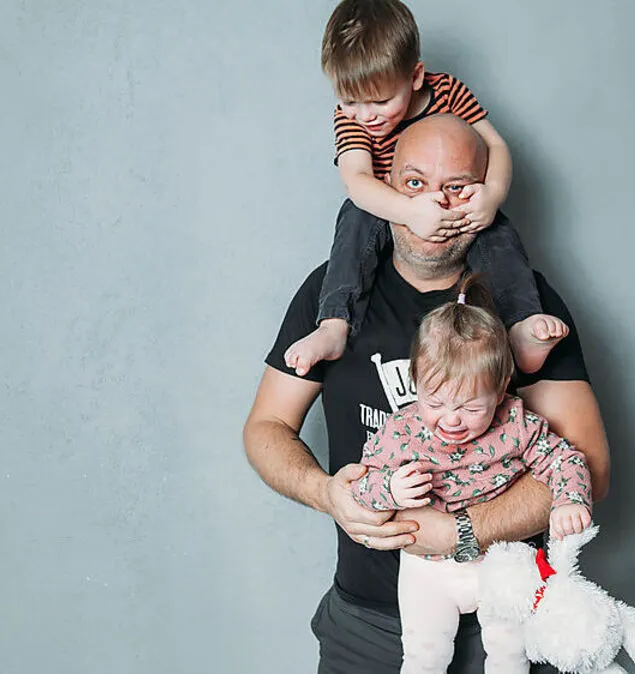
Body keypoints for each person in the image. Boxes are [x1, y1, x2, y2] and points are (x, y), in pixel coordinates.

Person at [243, 114, 611, 674]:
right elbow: (265, 427)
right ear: (385, 186)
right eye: (414, 183)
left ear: (486, 194)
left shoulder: (526, 306)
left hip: (508, 616)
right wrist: (327, 494)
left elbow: (590, 466)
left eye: (457, 188)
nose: (434, 207)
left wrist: (462, 533)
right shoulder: (332, 297)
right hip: (367, 625)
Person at [283, 0, 569, 379]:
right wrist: (410, 212)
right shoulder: (351, 120)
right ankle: (335, 324)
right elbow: (357, 180)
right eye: (350, 100)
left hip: (452, 203)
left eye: (381, 100)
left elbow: (495, 145)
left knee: (497, 231)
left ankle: (520, 325)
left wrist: (492, 194)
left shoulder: (447, 91)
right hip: (390, 205)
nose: (366, 115)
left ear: (416, 76)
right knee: (355, 215)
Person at [352, 275, 592, 673]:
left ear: (500, 391)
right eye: (435, 403)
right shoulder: (401, 431)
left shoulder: (515, 422)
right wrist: (391, 489)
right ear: (416, 382)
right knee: (424, 656)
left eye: (470, 408)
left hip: (499, 561)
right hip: (427, 567)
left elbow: (564, 458)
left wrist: (570, 499)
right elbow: (361, 486)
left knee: (510, 652)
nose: (451, 419)